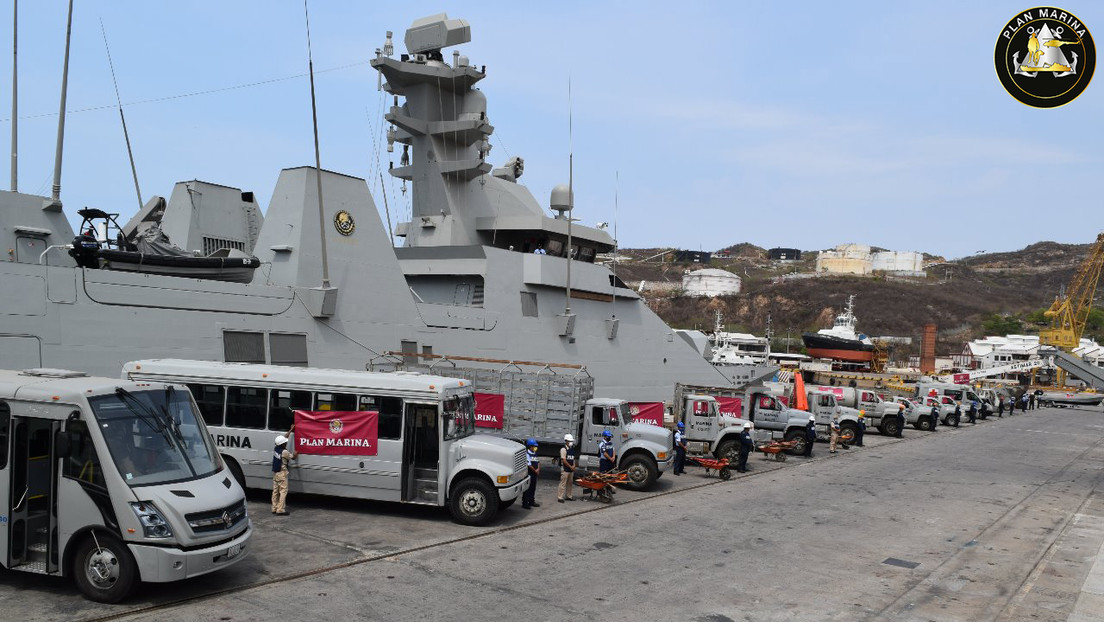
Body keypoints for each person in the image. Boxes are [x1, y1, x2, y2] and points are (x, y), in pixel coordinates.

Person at [271, 427, 297, 516]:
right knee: (283, 491)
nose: (286, 443)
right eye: (285, 443)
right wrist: (296, 454)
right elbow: (293, 457)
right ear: (282, 444)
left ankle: (274, 508)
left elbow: (283, 438)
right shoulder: (284, 452)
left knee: (275, 491)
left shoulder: (276, 448)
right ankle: (280, 509)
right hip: (282, 474)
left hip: (275, 473)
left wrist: (290, 430)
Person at [522, 438, 541, 509]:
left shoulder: (535, 453)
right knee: (527, 489)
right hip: (529, 474)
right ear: (530, 446)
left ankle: (531, 501)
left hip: (535, 474)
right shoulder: (527, 454)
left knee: (533, 488)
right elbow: (529, 465)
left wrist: (538, 469)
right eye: (534, 446)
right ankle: (525, 503)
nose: (535, 448)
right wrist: (535, 470)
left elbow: (538, 462)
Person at [557, 434, 575, 503]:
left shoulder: (572, 449)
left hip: (571, 470)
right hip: (565, 469)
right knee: (563, 483)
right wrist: (570, 467)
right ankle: (560, 497)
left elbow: (573, 459)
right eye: (570, 441)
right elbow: (563, 460)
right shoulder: (563, 449)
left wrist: (573, 466)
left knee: (570, 483)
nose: (571, 442)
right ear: (566, 441)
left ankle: (569, 496)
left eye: (571, 441)